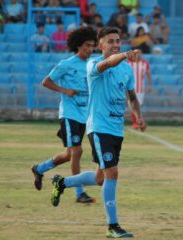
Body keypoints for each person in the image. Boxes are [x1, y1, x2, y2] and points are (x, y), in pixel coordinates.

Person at [50, 27, 145, 238]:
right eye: (110, 41)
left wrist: (138, 115)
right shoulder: (93, 64)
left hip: (116, 129)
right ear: (100, 45)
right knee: (113, 172)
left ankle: (62, 182)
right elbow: (108, 63)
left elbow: (132, 97)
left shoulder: (126, 70)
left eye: (118, 41)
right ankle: (113, 226)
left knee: (100, 178)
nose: (115, 44)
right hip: (99, 127)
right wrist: (125, 55)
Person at [31, 27, 97, 203]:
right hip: (69, 113)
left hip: (85, 115)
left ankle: (39, 169)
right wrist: (65, 90)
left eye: (92, 46)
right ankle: (79, 193)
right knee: (77, 151)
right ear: (78, 45)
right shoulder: (66, 64)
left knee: (69, 154)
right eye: (87, 46)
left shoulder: (93, 64)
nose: (90, 49)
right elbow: (46, 81)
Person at [127, 49, 153, 129]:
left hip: (140, 89)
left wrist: (150, 85)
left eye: (139, 53)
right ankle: (135, 123)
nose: (138, 55)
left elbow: (148, 74)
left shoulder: (145, 63)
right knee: (132, 106)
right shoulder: (129, 63)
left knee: (139, 106)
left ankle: (138, 122)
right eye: (136, 53)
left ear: (141, 54)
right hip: (130, 89)